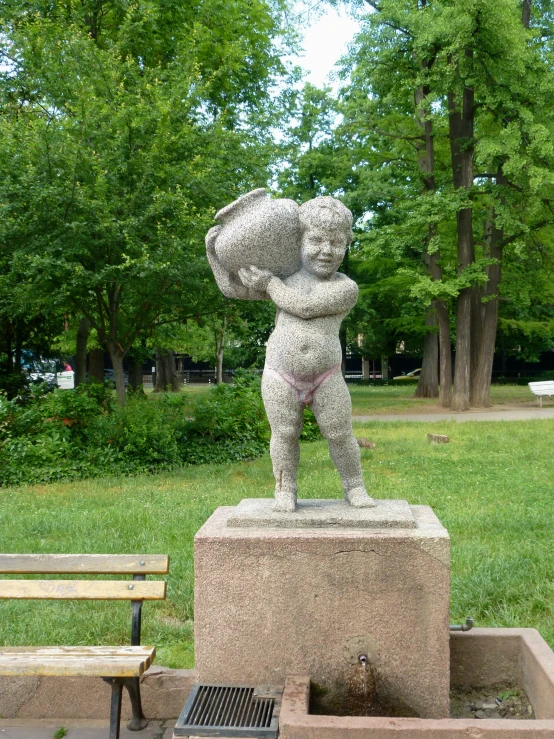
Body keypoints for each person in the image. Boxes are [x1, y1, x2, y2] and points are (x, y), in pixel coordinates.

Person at [207, 196, 375, 512]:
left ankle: (355, 487)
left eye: (336, 243)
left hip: (327, 375)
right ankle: (285, 489)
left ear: (347, 245)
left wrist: (269, 283)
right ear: (299, 240)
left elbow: (305, 307)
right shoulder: (283, 278)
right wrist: (214, 254)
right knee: (284, 434)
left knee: (340, 433)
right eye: (316, 240)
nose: (326, 250)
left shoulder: (345, 288)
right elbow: (234, 288)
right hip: (280, 373)